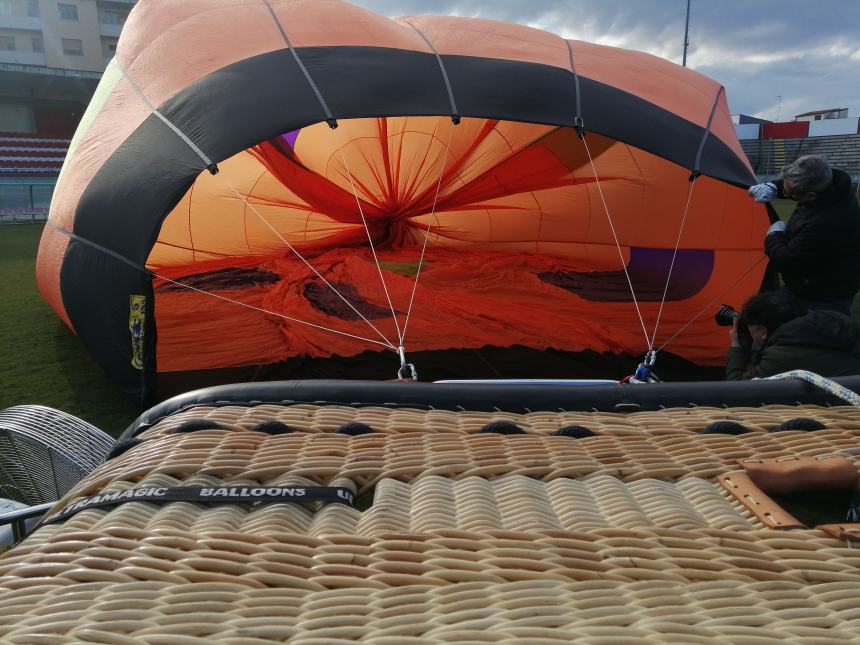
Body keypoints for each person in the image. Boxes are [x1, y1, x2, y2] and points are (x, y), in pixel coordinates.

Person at [748, 155, 860, 316]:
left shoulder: (826, 222)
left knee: (814, 337)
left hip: (825, 295)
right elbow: (795, 186)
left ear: (810, 196)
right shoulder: (829, 184)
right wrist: (774, 186)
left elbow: (786, 260)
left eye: (790, 194)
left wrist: (774, 235)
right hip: (804, 284)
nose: (786, 194)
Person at [726, 290, 860, 380]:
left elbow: (737, 387)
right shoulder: (826, 322)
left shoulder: (780, 356)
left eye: (751, 329)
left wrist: (736, 347)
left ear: (762, 332)